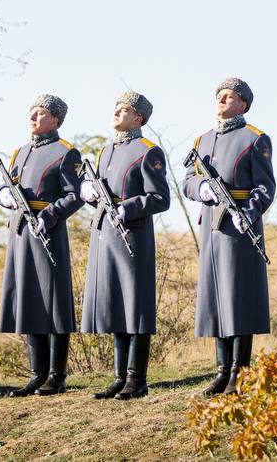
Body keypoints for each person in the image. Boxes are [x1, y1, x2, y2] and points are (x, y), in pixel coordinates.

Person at [183, 77, 275, 395]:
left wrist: (248, 212)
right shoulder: (202, 140)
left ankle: (240, 370)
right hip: (211, 222)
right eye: (219, 94)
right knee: (215, 297)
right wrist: (201, 188)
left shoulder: (255, 139)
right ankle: (222, 371)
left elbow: (265, 187)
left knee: (239, 297)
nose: (222, 99)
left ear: (244, 104)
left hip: (239, 224)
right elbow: (187, 182)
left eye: (230, 96)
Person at [79, 91, 170, 400]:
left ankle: (137, 378)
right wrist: (90, 195)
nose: (117, 112)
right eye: (116, 107)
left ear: (138, 118)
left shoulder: (148, 151)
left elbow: (160, 198)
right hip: (105, 234)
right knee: (117, 304)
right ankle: (119, 377)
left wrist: (127, 208)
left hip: (132, 235)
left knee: (136, 306)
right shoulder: (106, 152)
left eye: (125, 109)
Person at [0, 94, 84, 396]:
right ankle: (37, 373)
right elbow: (7, 186)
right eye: (31, 112)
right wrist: (3, 196)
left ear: (55, 120)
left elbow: (75, 195)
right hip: (21, 232)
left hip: (49, 231)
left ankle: (57, 375)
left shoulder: (67, 153)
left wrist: (51, 215)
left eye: (41, 113)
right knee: (30, 298)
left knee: (54, 303)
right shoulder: (18, 153)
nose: (33, 118)